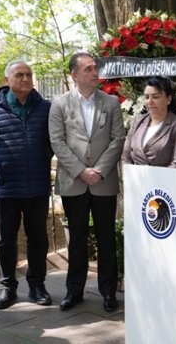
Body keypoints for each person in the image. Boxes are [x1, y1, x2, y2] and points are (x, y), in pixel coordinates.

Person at [49, 51, 124, 313]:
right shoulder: (59, 104)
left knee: (106, 240)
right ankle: (74, 291)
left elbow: (118, 140)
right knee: (77, 241)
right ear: (75, 75)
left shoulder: (111, 102)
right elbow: (57, 142)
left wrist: (99, 170)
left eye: (95, 68)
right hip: (74, 182)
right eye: (89, 69)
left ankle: (108, 292)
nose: (95, 73)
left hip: (103, 182)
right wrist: (82, 171)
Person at [0, 60, 53, 310]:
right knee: (5, 240)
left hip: (37, 186)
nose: (25, 79)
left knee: (38, 238)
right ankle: (7, 287)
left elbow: (52, 143)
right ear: (7, 79)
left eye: (29, 74)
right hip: (6, 187)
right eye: (19, 74)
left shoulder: (46, 108)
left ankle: (36, 285)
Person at [121, 76, 176, 167]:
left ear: (168, 99)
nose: (150, 102)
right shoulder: (138, 122)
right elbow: (125, 157)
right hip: (135, 179)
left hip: (164, 180)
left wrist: (153, 179)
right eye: (146, 97)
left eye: (155, 97)